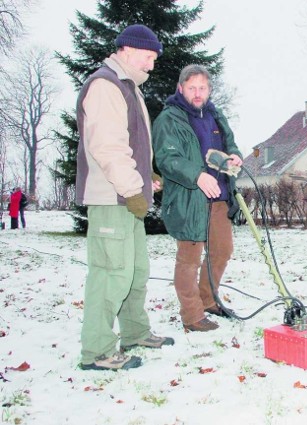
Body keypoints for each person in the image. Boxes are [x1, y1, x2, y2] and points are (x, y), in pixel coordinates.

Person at [75, 24, 173, 371]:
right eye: (148, 57)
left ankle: (135, 332)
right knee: (111, 272)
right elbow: (107, 147)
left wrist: (146, 177)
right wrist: (133, 189)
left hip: (127, 194)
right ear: (128, 50)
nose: (152, 64)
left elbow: (130, 146)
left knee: (135, 271)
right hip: (111, 198)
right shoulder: (106, 85)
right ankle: (98, 351)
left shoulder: (128, 88)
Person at [152, 64, 243, 332]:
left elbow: (230, 144)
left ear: (209, 90)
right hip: (189, 198)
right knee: (189, 259)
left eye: (202, 87)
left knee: (222, 251)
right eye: (192, 87)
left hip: (220, 196)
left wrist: (235, 154)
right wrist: (197, 175)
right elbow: (167, 159)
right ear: (180, 89)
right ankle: (191, 315)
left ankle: (208, 300)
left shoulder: (216, 115)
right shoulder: (170, 119)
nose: (197, 92)